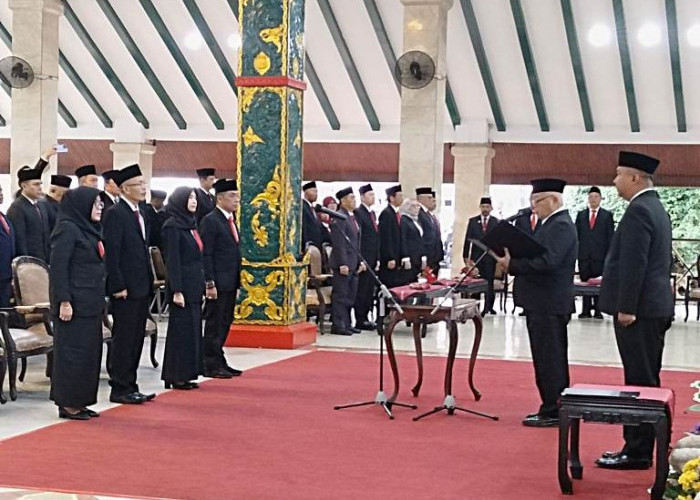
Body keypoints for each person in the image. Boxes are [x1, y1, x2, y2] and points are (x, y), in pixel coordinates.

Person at [595, 152, 674, 471]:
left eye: (618, 175)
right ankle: (644, 446)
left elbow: (634, 263)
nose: (614, 181)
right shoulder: (655, 207)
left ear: (634, 177)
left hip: (639, 311)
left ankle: (638, 451)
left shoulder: (640, 210)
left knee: (639, 381)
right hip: (654, 307)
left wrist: (626, 307)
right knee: (647, 377)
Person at [495, 179, 577, 428]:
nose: (533, 207)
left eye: (537, 201)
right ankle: (551, 405)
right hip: (542, 302)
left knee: (550, 359)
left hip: (548, 302)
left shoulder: (560, 225)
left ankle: (553, 409)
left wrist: (513, 265)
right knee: (545, 357)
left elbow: (548, 262)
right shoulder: (550, 224)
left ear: (553, 200)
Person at [49, 187, 106, 420]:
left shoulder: (89, 228)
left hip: (90, 302)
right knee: (72, 354)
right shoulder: (67, 228)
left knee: (88, 354)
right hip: (73, 304)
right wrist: (64, 301)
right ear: (82, 205)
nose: (100, 207)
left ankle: (81, 400)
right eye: (96, 203)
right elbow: (59, 268)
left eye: (101, 203)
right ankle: (68, 403)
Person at [103, 164, 155, 405]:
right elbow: (112, 253)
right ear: (124, 189)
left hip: (141, 285)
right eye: (138, 185)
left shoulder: (140, 211)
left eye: (144, 183)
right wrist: (117, 285)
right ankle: (120, 387)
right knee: (124, 339)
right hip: (125, 288)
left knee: (136, 338)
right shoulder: (116, 213)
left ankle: (131, 384)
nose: (143, 188)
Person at [160, 187, 205, 390]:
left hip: (194, 284)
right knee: (181, 331)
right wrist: (176, 290)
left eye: (195, 197)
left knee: (192, 330)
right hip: (182, 286)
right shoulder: (172, 226)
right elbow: (173, 260)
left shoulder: (191, 224)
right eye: (190, 198)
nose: (194, 201)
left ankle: (187, 373)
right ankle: (175, 375)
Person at [201, 179, 242, 378]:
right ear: (219, 198)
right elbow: (206, 254)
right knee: (214, 323)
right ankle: (210, 362)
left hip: (230, 281)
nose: (236, 200)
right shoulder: (211, 221)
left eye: (237, 196)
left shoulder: (231, 220)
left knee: (225, 321)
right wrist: (210, 283)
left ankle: (219, 358)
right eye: (232, 196)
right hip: (217, 282)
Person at [575, 186, 615, 319]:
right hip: (584, 255)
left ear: (600, 199)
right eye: (591, 197)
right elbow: (577, 235)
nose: (593, 199)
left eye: (596, 197)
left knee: (598, 283)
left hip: (600, 256)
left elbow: (610, 236)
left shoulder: (606, 215)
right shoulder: (581, 215)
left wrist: (609, 256)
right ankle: (585, 310)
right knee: (585, 281)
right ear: (588, 199)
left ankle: (598, 310)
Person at [329, 187, 363, 336]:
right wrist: (343, 263)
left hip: (353, 262)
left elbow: (356, 242)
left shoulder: (352, 217)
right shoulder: (339, 216)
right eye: (351, 198)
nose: (354, 200)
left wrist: (360, 261)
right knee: (341, 295)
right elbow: (339, 243)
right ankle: (338, 324)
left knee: (350, 295)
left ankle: (348, 323)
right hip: (343, 263)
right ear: (342, 201)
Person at [463, 197, 500, 316]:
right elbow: (467, 240)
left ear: (491, 208)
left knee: (489, 283)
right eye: (483, 206)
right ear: (480, 207)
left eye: (487, 207)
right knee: (476, 283)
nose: (485, 209)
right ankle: (476, 307)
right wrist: (466, 258)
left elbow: (499, 241)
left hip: (490, 258)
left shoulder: (496, 222)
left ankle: (489, 307)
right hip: (476, 258)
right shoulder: (473, 221)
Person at [7, 164, 50, 262]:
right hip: (29, 262)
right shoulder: (17, 208)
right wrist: (26, 263)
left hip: (44, 260)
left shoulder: (41, 206)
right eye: (36, 184)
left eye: (40, 184)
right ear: (24, 186)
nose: (40, 188)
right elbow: (19, 241)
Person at [353, 184, 379, 331]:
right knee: (362, 290)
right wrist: (360, 259)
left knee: (369, 290)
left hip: (372, 258)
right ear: (362, 197)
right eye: (370, 195)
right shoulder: (359, 212)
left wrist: (377, 258)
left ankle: (367, 317)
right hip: (364, 257)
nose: (372, 197)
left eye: (373, 195)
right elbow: (360, 238)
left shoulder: (372, 213)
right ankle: (360, 319)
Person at [378, 184, 405, 289]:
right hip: (389, 258)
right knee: (389, 285)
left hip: (397, 257)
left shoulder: (396, 213)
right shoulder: (386, 214)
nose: (402, 198)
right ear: (392, 198)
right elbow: (386, 238)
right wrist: (390, 257)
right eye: (400, 196)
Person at [400, 199, 426, 285]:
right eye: (414, 206)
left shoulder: (416, 220)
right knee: (408, 280)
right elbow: (403, 239)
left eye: (418, 206)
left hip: (418, 256)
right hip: (410, 256)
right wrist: (405, 257)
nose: (417, 208)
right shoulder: (404, 220)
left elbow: (420, 239)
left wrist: (423, 256)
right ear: (407, 207)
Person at [416, 187, 441, 273]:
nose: (432, 200)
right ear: (421, 199)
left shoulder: (430, 215)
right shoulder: (419, 214)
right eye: (429, 198)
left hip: (434, 257)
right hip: (426, 256)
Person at [0, 185, 15, 307]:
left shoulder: (4, 217)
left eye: (0, 190)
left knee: (5, 308)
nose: (1, 194)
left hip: (6, 272)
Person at [301, 181, 328, 249]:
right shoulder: (303, 207)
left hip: (316, 247)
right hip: (309, 247)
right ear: (306, 193)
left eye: (316, 192)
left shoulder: (313, 209)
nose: (316, 194)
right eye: (313, 191)